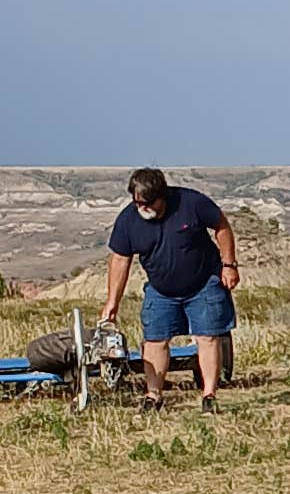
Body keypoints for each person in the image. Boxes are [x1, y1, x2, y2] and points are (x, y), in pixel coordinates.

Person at [102, 167, 239, 402]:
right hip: (160, 290)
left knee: (207, 337)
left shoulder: (192, 203)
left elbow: (222, 226)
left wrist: (229, 265)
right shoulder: (128, 220)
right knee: (154, 340)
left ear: (162, 196)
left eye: (148, 202)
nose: (142, 208)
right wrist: (112, 302)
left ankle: (209, 394)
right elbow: (120, 260)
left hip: (203, 283)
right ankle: (153, 395)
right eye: (137, 203)